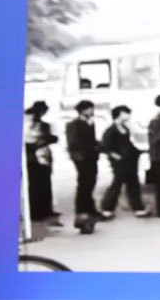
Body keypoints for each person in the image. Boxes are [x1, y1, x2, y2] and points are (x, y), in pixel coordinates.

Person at [99, 105, 150, 218]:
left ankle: (138, 208)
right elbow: (105, 147)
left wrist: (140, 151)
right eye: (125, 113)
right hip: (119, 162)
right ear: (119, 114)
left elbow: (129, 145)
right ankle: (107, 208)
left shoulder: (125, 129)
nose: (128, 115)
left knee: (133, 184)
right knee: (116, 184)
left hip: (130, 160)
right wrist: (115, 156)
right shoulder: (110, 131)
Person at [66, 99, 103, 232]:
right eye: (88, 109)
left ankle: (90, 208)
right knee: (84, 183)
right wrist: (78, 155)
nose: (91, 111)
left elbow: (92, 140)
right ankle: (82, 210)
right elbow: (73, 142)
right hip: (81, 158)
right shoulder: (73, 124)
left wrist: (98, 148)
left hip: (91, 157)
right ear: (82, 110)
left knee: (91, 181)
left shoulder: (90, 123)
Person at [23, 101, 60, 226]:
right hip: (34, 157)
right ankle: (37, 211)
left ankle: (44, 210)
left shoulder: (42, 124)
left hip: (41, 156)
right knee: (37, 185)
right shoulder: (29, 123)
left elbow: (52, 138)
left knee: (43, 183)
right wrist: (42, 141)